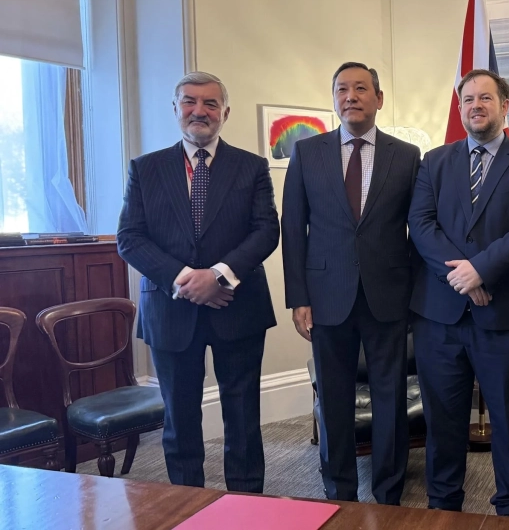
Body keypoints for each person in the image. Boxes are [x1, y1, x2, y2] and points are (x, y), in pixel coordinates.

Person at [117, 71, 280, 493]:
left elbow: (266, 230)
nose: (199, 111)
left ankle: (247, 503)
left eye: (210, 103)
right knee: (180, 418)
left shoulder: (252, 166)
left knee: (243, 417)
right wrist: (188, 279)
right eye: (189, 101)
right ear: (175, 109)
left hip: (238, 306)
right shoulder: (145, 169)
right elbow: (130, 238)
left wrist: (219, 276)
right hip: (170, 307)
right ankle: (186, 502)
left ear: (225, 112)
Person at [407, 69, 509, 517]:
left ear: (504, 106)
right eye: (468, 99)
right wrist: (462, 277)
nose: (476, 105)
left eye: (485, 98)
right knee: (442, 421)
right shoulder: (434, 161)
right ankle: (443, 507)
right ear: (460, 108)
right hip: (439, 317)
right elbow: (421, 225)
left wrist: (481, 271)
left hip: (506, 316)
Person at [281, 62, 421, 505]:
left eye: (361, 88)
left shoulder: (407, 155)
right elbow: (293, 228)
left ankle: (388, 490)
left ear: (379, 98)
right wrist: (298, 298)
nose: (351, 96)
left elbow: (418, 229)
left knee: (390, 397)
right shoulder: (307, 152)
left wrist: (416, 294)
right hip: (326, 297)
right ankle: (338, 491)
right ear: (334, 98)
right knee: (334, 399)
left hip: (389, 296)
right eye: (342, 89)